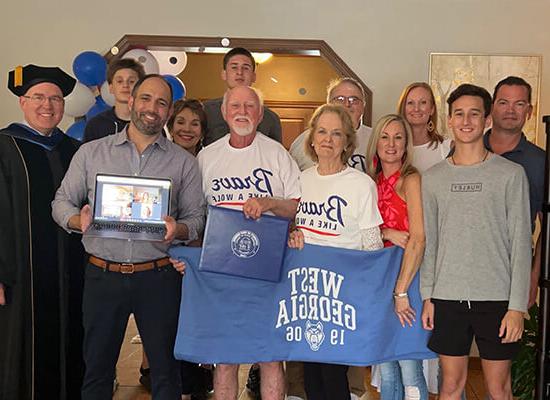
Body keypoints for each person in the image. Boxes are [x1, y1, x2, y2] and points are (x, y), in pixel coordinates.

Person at [52, 74, 205, 400]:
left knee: (166, 374)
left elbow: (197, 219)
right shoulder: (92, 153)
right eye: (146, 99)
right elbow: (60, 201)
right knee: (97, 371)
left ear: (168, 111)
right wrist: (77, 220)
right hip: (102, 275)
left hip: (159, 277)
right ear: (132, 102)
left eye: (161, 103)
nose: (152, 108)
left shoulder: (184, 163)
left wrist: (177, 229)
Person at [420, 84, 531, 400]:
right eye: (459, 114)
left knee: (498, 389)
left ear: (486, 120)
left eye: (474, 114)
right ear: (449, 121)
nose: (466, 121)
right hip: (447, 297)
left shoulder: (510, 174)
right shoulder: (433, 178)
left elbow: (521, 244)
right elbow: (431, 241)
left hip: (496, 299)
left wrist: (516, 307)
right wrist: (429, 295)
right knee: (450, 386)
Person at [197, 85, 300, 400]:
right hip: (221, 273)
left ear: (260, 113)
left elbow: (297, 204)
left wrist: (269, 203)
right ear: (225, 113)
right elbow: (195, 214)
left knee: (269, 355)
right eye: (236, 105)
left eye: (250, 106)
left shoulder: (277, 154)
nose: (242, 111)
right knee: (225, 357)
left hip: (269, 271)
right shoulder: (207, 157)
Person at [0, 64, 85, 400]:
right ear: (22, 101)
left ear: (63, 105)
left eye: (55, 98)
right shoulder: (5, 147)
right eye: (38, 97)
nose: (47, 105)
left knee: (70, 341)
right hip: (19, 275)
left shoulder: (73, 151)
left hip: (72, 274)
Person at [288, 103, 383, 400]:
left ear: (347, 142)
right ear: (312, 138)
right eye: (322, 131)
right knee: (311, 372)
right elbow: (290, 230)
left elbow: (372, 245)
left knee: (333, 372)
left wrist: (368, 294)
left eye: (337, 133)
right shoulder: (300, 181)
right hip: (306, 292)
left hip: (342, 295)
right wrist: (292, 236)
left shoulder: (361, 184)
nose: (328, 139)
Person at [365, 114, 428, 400]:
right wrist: (388, 232)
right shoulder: (369, 182)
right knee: (386, 366)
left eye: (398, 137)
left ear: (406, 144)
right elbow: (360, 235)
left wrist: (401, 291)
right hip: (379, 280)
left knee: (408, 365)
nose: (391, 144)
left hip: (406, 278)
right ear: (375, 142)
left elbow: (419, 238)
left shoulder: (410, 179)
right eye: (385, 137)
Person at [166, 98, 213, 400]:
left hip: (208, 255)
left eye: (194, 123)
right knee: (172, 321)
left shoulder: (210, 162)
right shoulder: (161, 160)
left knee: (203, 319)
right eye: (181, 122)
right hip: (172, 256)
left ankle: (201, 379)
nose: (187, 128)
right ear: (170, 125)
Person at [485, 76, 545, 308]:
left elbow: (547, 226)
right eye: (503, 102)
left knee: (501, 342)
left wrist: (533, 277)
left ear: (529, 111)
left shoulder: (540, 162)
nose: (510, 110)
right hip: (462, 270)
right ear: (492, 107)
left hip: (512, 271)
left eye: (519, 104)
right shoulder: (465, 152)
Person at [290, 77, 372, 172]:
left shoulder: (376, 139)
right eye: (339, 99)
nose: (347, 104)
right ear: (328, 104)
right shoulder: (302, 141)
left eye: (354, 99)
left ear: (363, 106)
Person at [203, 47, 282, 146]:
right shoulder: (206, 111)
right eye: (234, 67)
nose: (239, 72)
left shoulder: (270, 118)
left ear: (254, 76)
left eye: (245, 68)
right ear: (224, 74)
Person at [83, 58, 145, 142]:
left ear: (140, 87)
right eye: (119, 81)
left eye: (131, 81)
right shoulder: (95, 125)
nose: (125, 85)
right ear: (111, 88)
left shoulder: (149, 124)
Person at [397, 82, 452, 173]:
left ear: (432, 109)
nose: (416, 109)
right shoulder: (391, 148)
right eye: (410, 103)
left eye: (423, 102)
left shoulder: (447, 148)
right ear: (403, 108)